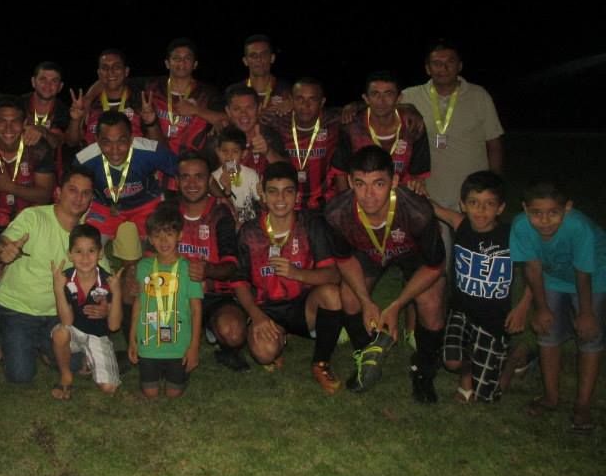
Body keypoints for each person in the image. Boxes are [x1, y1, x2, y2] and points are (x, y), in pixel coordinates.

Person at [323, 146, 446, 401]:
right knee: (349, 296)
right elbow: (344, 260)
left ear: (395, 181)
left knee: (431, 302)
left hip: (411, 254)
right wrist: (367, 302)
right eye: (360, 184)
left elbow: (435, 265)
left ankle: (423, 369)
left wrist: (397, 305)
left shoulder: (418, 211)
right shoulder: (336, 213)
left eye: (378, 183)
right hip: (368, 251)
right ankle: (366, 354)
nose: (369, 194)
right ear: (349, 182)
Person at [229, 162, 344, 391]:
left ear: (297, 195)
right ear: (262, 194)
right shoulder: (250, 231)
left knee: (331, 294)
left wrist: (296, 273)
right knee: (263, 354)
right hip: (267, 308)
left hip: (304, 305)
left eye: (287, 191)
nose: (280, 198)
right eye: (273, 191)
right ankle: (277, 339)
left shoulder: (311, 224)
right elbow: (239, 282)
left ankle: (321, 362)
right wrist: (257, 316)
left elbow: (333, 275)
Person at [511, 180, 606, 432]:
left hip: (594, 275)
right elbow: (532, 268)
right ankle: (550, 397)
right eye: (536, 213)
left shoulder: (578, 227)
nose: (545, 221)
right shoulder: (521, 226)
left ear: (567, 208)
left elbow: (583, 272)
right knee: (548, 330)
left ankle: (583, 404)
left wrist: (586, 313)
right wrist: (541, 308)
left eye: (553, 213)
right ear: (525, 209)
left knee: (589, 335)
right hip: (552, 276)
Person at [0, 167, 97, 384]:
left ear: (91, 199)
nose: (78, 198)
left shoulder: (86, 235)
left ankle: (42, 347)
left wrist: (106, 300)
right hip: (17, 309)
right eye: (73, 190)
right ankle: (8, 341)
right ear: (58, 192)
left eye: (85, 193)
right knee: (20, 376)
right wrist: (3, 252)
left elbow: (101, 276)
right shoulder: (34, 217)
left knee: (75, 365)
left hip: (57, 314)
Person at [430, 171, 532, 402]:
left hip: (495, 321)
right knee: (451, 359)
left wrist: (523, 307)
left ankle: (515, 357)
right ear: (463, 205)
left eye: (489, 204)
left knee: (487, 396)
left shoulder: (511, 237)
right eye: (474, 203)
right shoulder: (461, 225)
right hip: (462, 312)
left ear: (501, 207)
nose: (481, 211)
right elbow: (432, 207)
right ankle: (466, 375)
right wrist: (412, 188)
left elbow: (535, 271)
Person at [0, 95, 55, 324]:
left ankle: (31, 319)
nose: (8, 128)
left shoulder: (38, 148)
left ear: (25, 123)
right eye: (2, 121)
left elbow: (45, 194)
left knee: (30, 272)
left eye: (15, 121)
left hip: (30, 223)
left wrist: (9, 187)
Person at [398, 40, 504, 210]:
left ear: (460, 66)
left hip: (472, 193)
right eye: (437, 63)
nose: (444, 68)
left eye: (450, 62)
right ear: (427, 68)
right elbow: (379, 109)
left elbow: (494, 144)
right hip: (426, 192)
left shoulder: (479, 96)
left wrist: (495, 184)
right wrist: (356, 106)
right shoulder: (410, 96)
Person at [128, 203, 204, 398]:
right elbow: (138, 304)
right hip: (149, 344)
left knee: (173, 394)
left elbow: (196, 309)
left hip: (179, 346)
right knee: (150, 393)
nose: (163, 241)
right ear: (150, 240)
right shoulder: (144, 267)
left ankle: (176, 374)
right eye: (157, 235)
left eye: (169, 234)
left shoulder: (189, 269)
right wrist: (132, 340)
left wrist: (194, 347)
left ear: (179, 235)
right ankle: (152, 370)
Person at [174, 152, 242, 370]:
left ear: (209, 181)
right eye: (185, 177)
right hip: (177, 293)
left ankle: (220, 338)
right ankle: (136, 348)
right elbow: (152, 259)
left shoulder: (221, 214)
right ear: (177, 181)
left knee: (233, 332)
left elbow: (231, 266)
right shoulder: (168, 211)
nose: (192, 183)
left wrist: (208, 270)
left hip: (215, 294)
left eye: (199, 177)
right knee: (131, 282)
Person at [75, 110, 178, 241]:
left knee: (163, 244)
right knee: (87, 242)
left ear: (131, 139)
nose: (115, 149)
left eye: (121, 141)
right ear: (97, 141)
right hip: (105, 207)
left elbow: (182, 169)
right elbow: (71, 188)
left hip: (145, 204)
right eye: (107, 142)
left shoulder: (149, 151)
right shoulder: (84, 160)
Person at [49, 224, 124, 400]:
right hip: (73, 333)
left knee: (109, 388)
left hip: (97, 336)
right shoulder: (66, 279)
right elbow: (67, 322)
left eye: (91, 251)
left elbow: (114, 326)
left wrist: (117, 290)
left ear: (100, 253)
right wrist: (58, 288)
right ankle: (66, 375)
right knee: (60, 333)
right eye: (78, 251)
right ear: (70, 254)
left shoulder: (108, 281)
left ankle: (93, 358)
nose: (85, 257)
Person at [333, 71, 430, 191]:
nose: (381, 100)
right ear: (366, 99)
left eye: (388, 94)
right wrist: (346, 205)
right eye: (375, 94)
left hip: (401, 201)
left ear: (399, 98)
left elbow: (418, 176)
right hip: (362, 200)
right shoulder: (352, 127)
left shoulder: (413, 126)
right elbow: (341, 172)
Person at [145, 38, 224, 158]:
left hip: (194, 164)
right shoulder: (152, 88)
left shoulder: (207, 93)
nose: (181, 63)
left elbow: (227, 119)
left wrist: (196, 110)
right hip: (157, 160)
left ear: (195, 64)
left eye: (187, 58)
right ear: (167, 63)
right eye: (176, 58)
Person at [66, 49, 154, 148]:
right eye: (105, 67)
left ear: (126, 71)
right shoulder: (88, 104)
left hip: (134, 161)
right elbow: (71, 142)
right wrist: (75, 120)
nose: (110, 72)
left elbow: (154, 145)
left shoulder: (141, 102)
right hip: (95, 162)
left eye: (116, 67)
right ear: (99, 73)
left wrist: (151, 123)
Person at [277, 77, 342, 210]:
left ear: (322, 102)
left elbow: (369, 109)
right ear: (291, 100)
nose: (305, 105)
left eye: (312, 99)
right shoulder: (278, 122)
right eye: (300, 98)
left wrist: (355, 106)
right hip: (288, 205)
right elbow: (252, 116)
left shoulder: (333, 121)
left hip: (324, 205)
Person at [214, 84, 287, 178]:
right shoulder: (219, 139)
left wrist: (268, 152)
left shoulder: (271, 136)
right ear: (228, 111)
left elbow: (288, 172)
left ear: (259, 108)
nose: (244, 114)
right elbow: (210, 178)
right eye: (237, 109)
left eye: (249, 108)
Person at [211, 125, 262, 228]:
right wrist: (227, 190)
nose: (229, 156)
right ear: (218, 152)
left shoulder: (251, 175)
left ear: (244, 154)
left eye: (235, 151)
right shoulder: (214, 178)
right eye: (224, 151)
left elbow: (260, 204)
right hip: (227, 226)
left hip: (249, 227)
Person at [239, 34, 291, 112]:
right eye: (253, 55)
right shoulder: (237, 92)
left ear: (272, 58)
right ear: (245, 61)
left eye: (264, 54)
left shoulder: (286, 90)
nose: (259, 59)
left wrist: (294, 107)